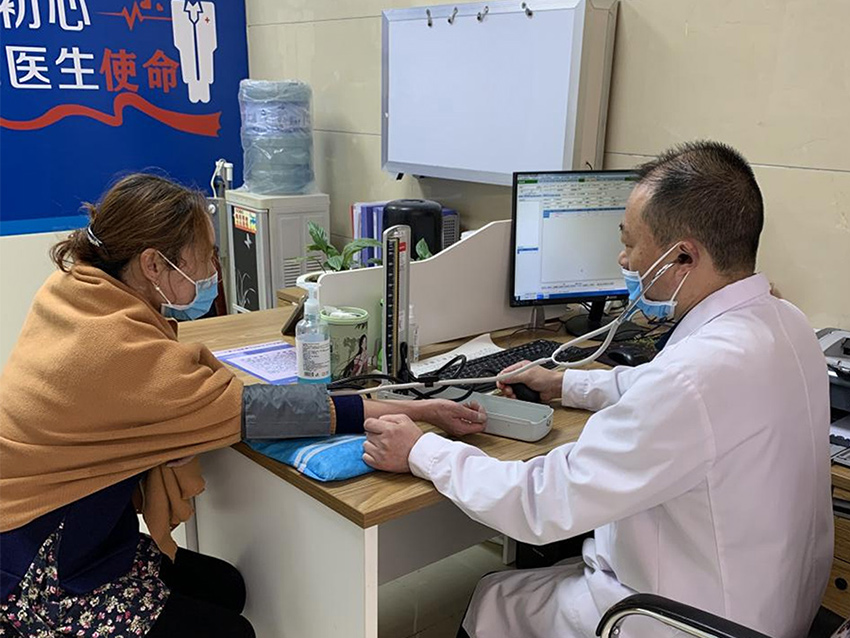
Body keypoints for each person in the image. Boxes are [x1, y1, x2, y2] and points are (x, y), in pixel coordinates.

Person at [361, 141, 832, 638]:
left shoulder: (691, 379)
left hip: (682, 621)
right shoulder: (787, 324)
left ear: (683, 256)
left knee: (496, 596)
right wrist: (564, 383)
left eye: (631, 243)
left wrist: (422, 450)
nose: (623, 258)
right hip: (774, 606)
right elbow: (665, 390)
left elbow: (540, 504)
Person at [0, 174, 487, 638]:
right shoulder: (120, 354)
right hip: (44, 571)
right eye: (205, 257)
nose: (213, 272)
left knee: (227, 588)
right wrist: (417, 409)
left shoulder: (74, 291)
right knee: (233, 632)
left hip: (76, 532)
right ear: (153, 264)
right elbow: (262, 409)